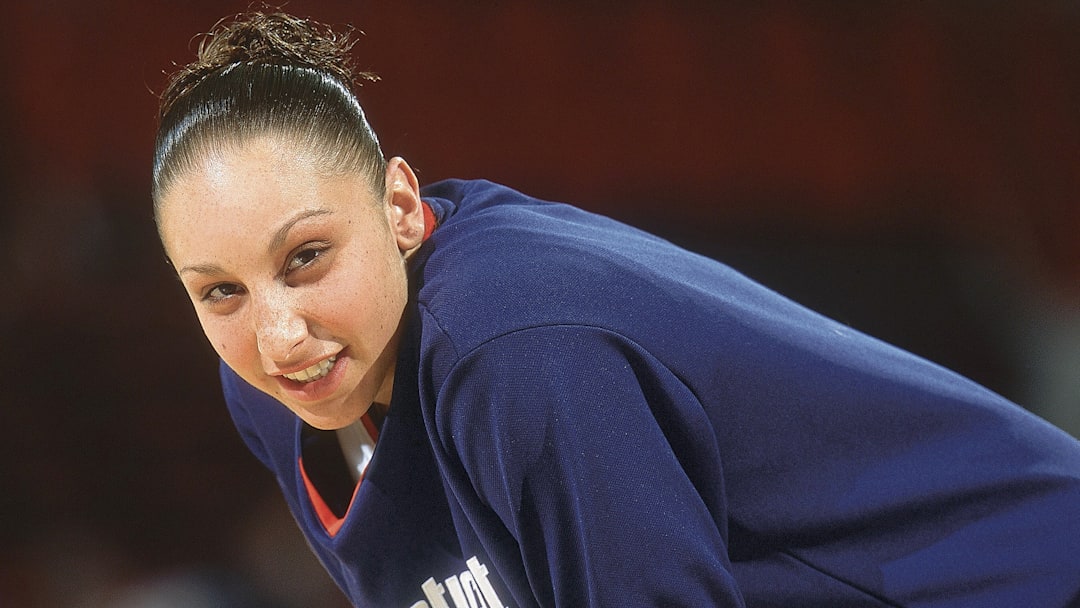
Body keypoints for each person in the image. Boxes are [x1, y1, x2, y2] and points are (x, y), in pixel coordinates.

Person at [152, 11, 1080, 608]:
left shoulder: (522, 353)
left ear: (398, 206)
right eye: (221, 290)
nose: (278, 335)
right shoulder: (280, 393)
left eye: (307, 258)